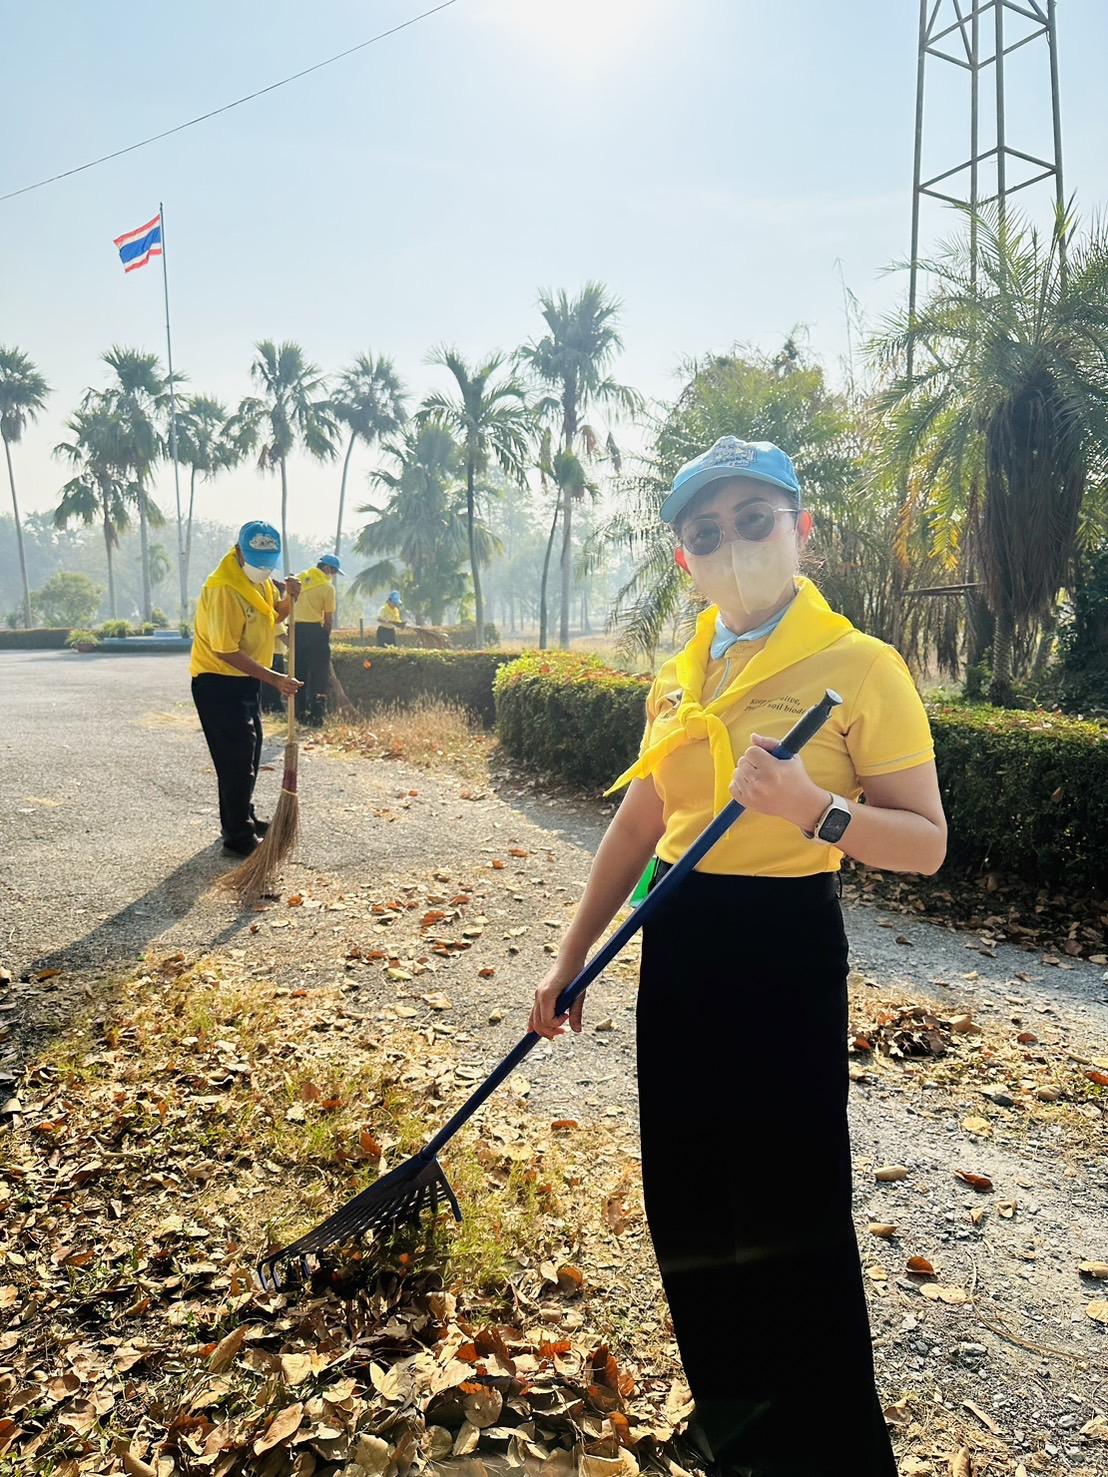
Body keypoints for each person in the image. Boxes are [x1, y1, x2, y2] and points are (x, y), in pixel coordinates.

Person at [528, 437, 947, 1477]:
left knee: (789, 1209)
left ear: (801, 528)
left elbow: (927, 842)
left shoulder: (859, 666)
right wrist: (568, 954)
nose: (732, 546)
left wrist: (815, 808)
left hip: (781, 948)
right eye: (705, 533)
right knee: (691, 1197)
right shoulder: (681, 672)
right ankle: (738, 1423)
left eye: (755, 520)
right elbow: (638, 823)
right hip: (677, 938)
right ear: (683, 559)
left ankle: (830, 1452)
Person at [190, 522, 303, 857]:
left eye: (268, 561)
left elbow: (273, 616)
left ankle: (244, 815)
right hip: (218, 680)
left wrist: (289, 597)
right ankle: (236, 835)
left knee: (249, 754)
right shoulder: (224, 588)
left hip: (245, 679)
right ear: (239, 551)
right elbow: (225, 650)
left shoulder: (260, 581)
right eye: (256, 559)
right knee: (235, 760)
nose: (262, 567)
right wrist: (275, 679)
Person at [293, 553, 342, 726]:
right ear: (327, 568)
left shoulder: (298, 579)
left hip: (296, 630)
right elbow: (328, 619)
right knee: (319, 675)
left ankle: (298, 713)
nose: (333, 575)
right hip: (315, 630)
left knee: (298, 672)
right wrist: (324, 639)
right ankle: (317, 715)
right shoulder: (327, 588)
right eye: (334, 571)